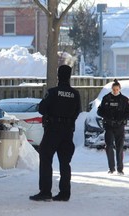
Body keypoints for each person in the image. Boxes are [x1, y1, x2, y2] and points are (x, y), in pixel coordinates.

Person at [29, 65, 81, 202]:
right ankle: (65, 193)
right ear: (69, 76)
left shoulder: (53, 92)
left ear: (58, 76)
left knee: (46, 158)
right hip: (68, 131)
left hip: (53, 130)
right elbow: (77, 112)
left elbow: (42, 109)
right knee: (65, 162)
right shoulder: (75, 94)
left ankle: (45, 191)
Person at [97, 79, 129, 175]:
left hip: (120, 126)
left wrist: (121, 118)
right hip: (109, 126)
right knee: (109, 146)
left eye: (117, 89)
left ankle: (120, 169)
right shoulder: (106, 98)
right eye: (114, 89)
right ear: (111, 89)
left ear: (119, 89)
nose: (115, 91)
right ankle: (111, 168)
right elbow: (99, 111)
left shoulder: (124, 100)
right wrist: (107, 116)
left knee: (119, 147)